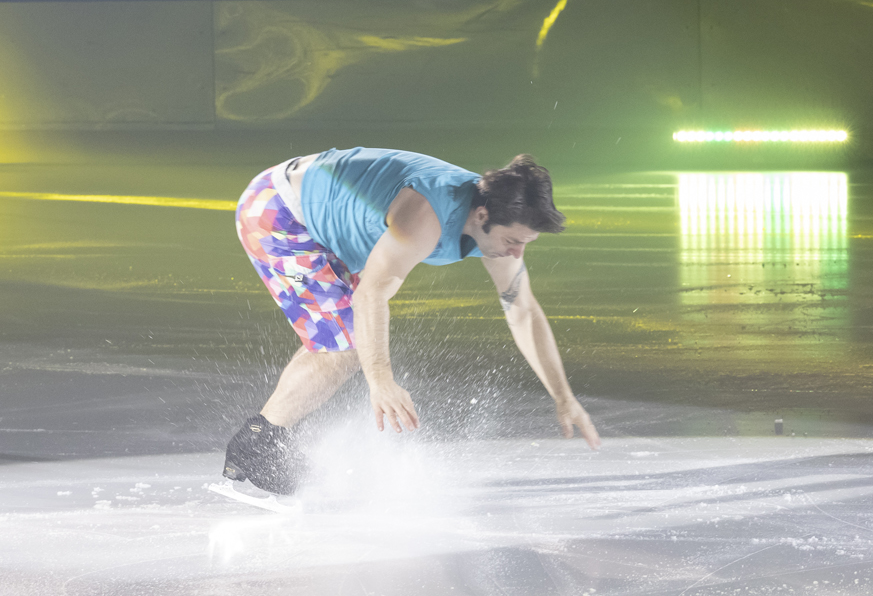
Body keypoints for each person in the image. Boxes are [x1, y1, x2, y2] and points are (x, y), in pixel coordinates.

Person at [223, 147, 599, 495]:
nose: (516, 253)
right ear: (482, 216)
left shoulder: (493, 217)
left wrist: (563, 397)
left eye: (526, 244)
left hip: (313, 216)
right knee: (350, 344)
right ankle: (259, 443)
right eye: (514, 241)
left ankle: (264, 438)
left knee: (343, 339)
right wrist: (381, 381)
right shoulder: (427, 214)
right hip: (276, 212)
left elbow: (523, 310)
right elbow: (371, 295)